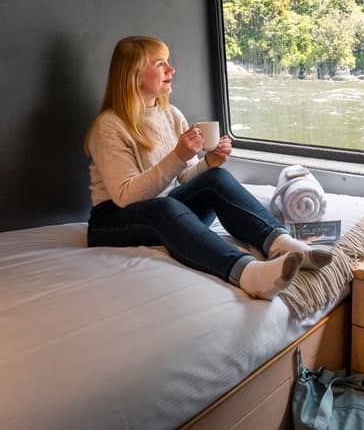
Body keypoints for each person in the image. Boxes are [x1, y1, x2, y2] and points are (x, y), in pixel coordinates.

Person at [85, 35, 332, 300]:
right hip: (112, 221)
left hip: (166, 208)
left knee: (216, 177)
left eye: (168, 62)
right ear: (134, 75)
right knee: (164, 206)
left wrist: (208, 163)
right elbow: (126, 197)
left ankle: (282, 245)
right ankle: (247, 274)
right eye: (160, 64)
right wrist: (178, 155)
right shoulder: (109, 126)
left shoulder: (171, 115)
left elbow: (183, 178)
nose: (171, 69)